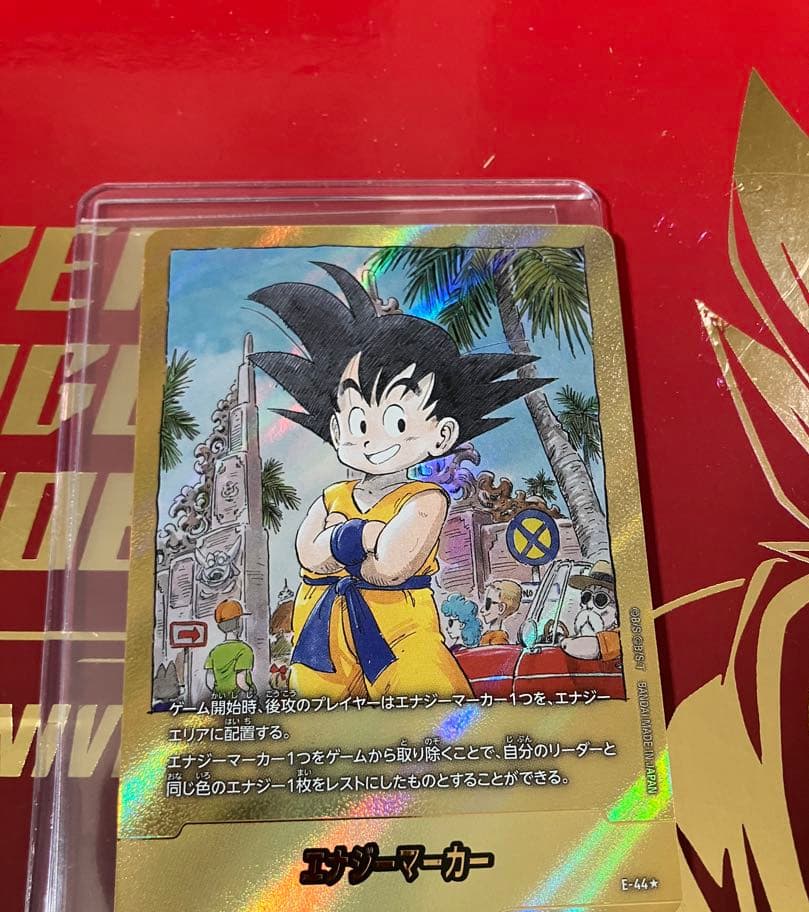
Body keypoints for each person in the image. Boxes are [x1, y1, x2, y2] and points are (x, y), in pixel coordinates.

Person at [249, 262, 550, 700]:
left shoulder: (426, 498)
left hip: (401, 637)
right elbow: (309, 554)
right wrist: (368, 537)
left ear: (442, 434)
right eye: (357, 422)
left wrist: (341, 540)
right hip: (322, 645)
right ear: (336, 428)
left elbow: (391, 567)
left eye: (396, 422)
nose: (372, 440)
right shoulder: (333, 495)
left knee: (431, 703)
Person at [560, 560, 621, 662]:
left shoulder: (620, 637)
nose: (589, 605)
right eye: (586, 597)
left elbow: (591, 647)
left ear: (617, 610)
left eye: (600, 600)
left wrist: (561, 641)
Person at [204, 599, 256, 698]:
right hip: (240, 698)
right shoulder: (244, 650)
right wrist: (250, 691)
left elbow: (209, 681)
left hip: (221, 699)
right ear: (238, 623)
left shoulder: (214, 651)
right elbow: (240, 681)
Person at [480, 579, 522, 645]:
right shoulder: (488, 635)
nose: (482, 610)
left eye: (488, 604)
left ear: (501, 608)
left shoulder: (498, 640)